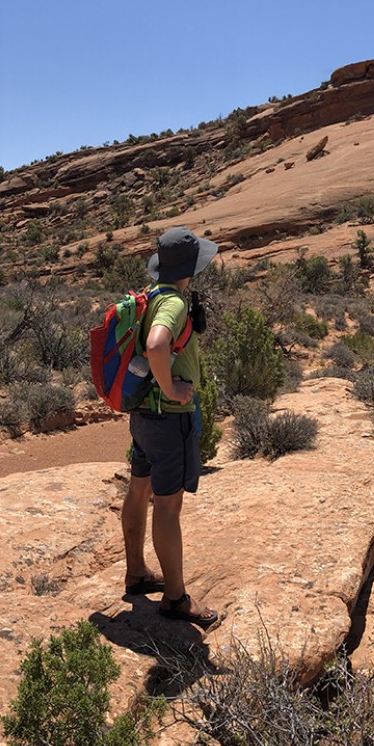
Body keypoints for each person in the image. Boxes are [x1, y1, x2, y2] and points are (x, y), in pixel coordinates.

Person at [122, 227, 219, 629]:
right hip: (167, 418)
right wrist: (173, 388)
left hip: (144, 415)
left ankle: (137, 572)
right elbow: (158, 345)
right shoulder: (174, 303)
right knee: (168, 505)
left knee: (139, 487)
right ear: (190, 267)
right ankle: (176, 598)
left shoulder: (150, 296)